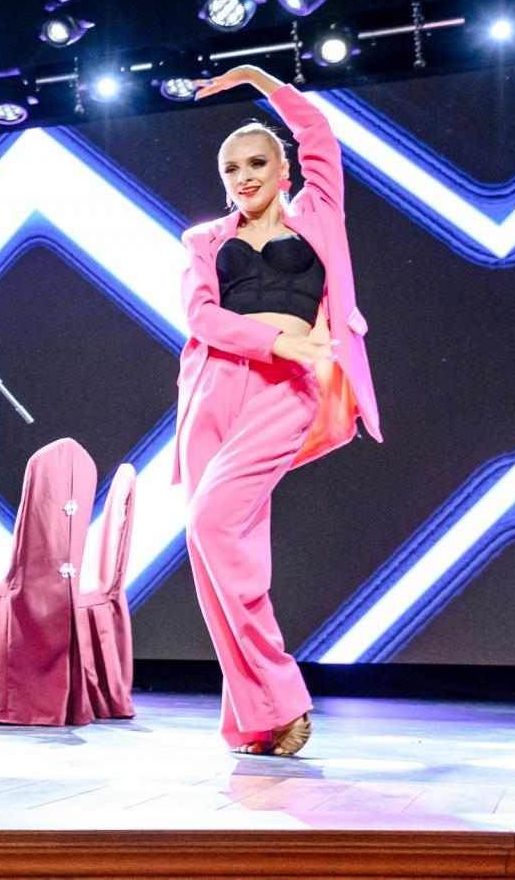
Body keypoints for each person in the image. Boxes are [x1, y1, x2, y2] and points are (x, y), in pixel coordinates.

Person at [175, 64, 381, 756]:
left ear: (284, 168)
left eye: (257, 162)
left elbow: (317, 129)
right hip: (213, 394)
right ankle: (253, 717)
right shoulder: (204, 240)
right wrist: (277, 337)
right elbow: (202, 318)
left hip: (284, 391)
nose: (244, 176)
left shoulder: (319, 214)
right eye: (231, 168)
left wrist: (256, 77)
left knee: (211, 523)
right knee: (220, 555)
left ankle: (282, 694)